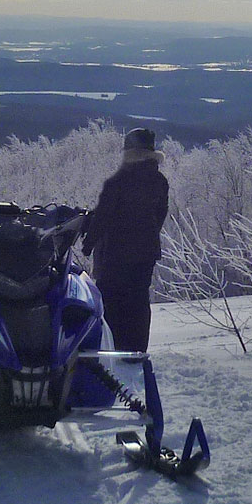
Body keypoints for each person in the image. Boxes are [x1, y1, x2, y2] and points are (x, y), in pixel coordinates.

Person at [83, 127, 170, 353]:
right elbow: (160, 215)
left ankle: (114, 348)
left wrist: (88, 243)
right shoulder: (160, 181)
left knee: (111, 301)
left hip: (115, 254)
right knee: (139, 302)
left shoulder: (118, 182)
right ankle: (137, 348)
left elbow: (102, 217)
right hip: (146, 253)